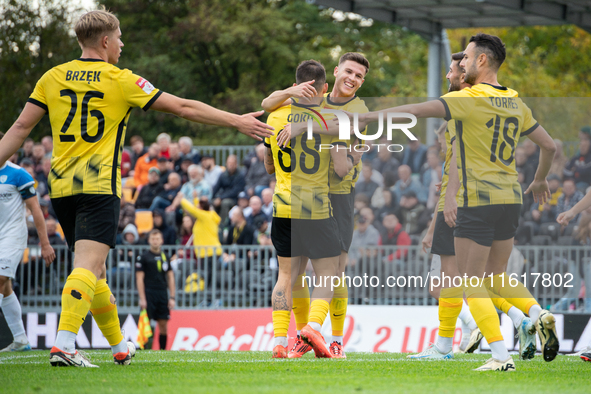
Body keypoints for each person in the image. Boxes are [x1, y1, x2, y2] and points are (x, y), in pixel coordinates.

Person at [0, 8, 272, 368]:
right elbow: (183, 106)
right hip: (99, 186)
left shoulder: (53, 77)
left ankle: (118, 346)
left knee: (96, 271)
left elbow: (20, 128)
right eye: (120, 38)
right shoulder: (120, 78)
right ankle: (64, 343)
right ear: (106, 41)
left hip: (63, 187)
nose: (123, 45)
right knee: (87, 265)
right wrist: (235, 120)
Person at [359, 33, 558, 371]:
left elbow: (414, 110)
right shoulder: (516, 101)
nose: (461, 63)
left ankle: (499, 357)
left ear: (482, 61)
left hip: (476, 199)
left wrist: (366, 118)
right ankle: (538, 313)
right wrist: (539, 179)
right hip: (510, 198)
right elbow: (549, 146)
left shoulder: (468, 99)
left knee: (469, 281)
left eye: (465, 58)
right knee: (496, 275)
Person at [263, 60, 358, 359]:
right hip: (316, 206)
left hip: (283, 205)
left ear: (296, 84)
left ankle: (280, 341)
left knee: (286, 277)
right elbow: (341, 169)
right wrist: (354, 157)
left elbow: (268, 165)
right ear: (324, 88)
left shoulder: (275, 116)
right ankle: (314, 328)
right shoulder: (331, 119)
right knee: (329, 274)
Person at [0, 153, 56, 352]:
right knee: (5, 286)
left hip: (12, 237)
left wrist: (45, 244)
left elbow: (35, 209)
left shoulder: (18, 174)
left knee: (0, 278)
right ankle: (20, 339)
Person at [135, 229, 175, 351]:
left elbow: (170, 277)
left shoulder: (165, 256)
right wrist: (142, 298)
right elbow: (139, 278)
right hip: (148, 293)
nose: (155, 241)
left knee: (163, 324)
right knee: (145, 323)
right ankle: (144, 350)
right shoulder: (143, 257)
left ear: (162, 240)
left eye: (158, 239)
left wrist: (172, 297)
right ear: (149, 241)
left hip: (162, 293)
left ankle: (163, 351)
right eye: (153, 239)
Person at [180, 196, 222, 290]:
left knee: (209, 277)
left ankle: (211, 299)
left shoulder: (205, 216)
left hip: (210, 252)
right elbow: (197, 209)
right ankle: (207, 299)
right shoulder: (206, 216)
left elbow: (193, 210)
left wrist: (182, 199)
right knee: (207, 276)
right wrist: (195, 198)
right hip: (205, 252)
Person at [212, 155, 246, 221]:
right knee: (212, 202)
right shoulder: (223, 174)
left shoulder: (240, 176)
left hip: (234, 198)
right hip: (223, 196)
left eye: (232, 163)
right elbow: (216, 187)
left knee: (225, 203)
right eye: (229, 163)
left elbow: (235, 191)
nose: (231, 165)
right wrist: (212, 197)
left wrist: (220, 198)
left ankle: (222, 224)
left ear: (236, 164)